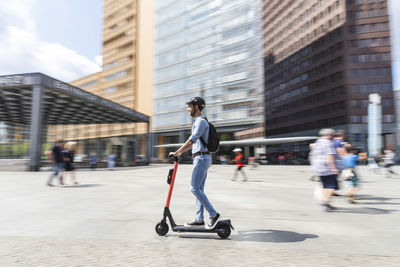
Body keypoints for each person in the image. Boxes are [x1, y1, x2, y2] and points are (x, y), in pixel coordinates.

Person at [169, 96, 221, 230]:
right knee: (199, 190)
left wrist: (176, 152)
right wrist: (180, 153)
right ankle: (199, 219)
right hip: (202, 158)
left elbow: (192, 140)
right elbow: (194, 143)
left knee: (194, 188)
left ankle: (214, 215)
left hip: (201, 159)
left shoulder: (200, 122)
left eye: (190, 106)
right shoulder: (200, 121)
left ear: (196, 107)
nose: (188, 109)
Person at [310, 128, 339, 211]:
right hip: (327, 168)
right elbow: (330, 155)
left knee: (325, 185)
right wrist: (333, 168)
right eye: (333, 135)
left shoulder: (317, 142)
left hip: (319, 168)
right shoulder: (328, 143)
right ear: (329, 135)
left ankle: (326, 202)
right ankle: (324, 202)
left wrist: (314, 167)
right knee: (331, 186)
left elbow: (312, 156)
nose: (334, 137)